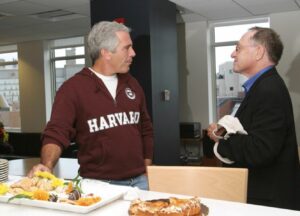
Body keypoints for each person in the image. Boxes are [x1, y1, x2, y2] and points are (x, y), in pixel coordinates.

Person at [28, 21, 154, 190]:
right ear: (106, 53)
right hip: (98, 185)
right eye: (127, 47)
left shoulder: (133, 84)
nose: (133, 53)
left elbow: (145, 129)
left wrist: (146, 169)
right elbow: (57, 132)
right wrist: (47, 166)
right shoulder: (72, 89)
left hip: (140, 182)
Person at [206, 27, 300, 210]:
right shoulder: (263, 87)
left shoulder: (269, 90)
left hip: (268, 201)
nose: (233, 53)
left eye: (238, 48)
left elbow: (261, 150)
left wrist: (221, 138)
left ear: (259, 52)